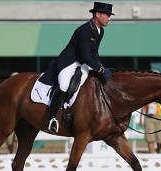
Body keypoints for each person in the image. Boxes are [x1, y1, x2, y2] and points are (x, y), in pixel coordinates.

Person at [48, 2, 114, 133]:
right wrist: (100, 69)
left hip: (82, 63)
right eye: (107, 15)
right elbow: (86, 56)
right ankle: (52, 118)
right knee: (64, 86)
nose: (109, 18)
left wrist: (101, 67)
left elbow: (94, 53)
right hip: (68, 62)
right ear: (97, 14)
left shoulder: (100, 31)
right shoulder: (84, 30)